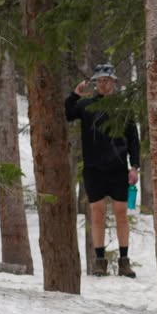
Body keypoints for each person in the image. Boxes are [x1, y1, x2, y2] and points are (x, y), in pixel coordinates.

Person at [65, 63, 140, 277]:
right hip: (93, 169)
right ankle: (100, 261)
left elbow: (134, 139)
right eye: (100, 80)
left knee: (120, 213)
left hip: (118, 169)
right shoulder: (87, 105)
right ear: (96, 83)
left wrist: (134, 166)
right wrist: (75, 94)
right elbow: (69, 113)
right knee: (97, 214)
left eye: (108, 80)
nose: (104, 84)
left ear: (114, 82)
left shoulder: (123, 107)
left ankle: (124, 261)